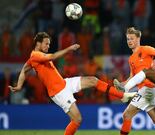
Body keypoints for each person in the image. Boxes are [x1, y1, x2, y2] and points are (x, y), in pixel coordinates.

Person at [8, 32, 136, 135]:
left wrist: (19, 85)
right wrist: (69, 48)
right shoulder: (36, 55)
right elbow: (52, 57)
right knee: (77, 119)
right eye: (46, 44)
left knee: (93, 80)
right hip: (58, 92)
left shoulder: (33, 58)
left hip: (64, 83)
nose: (48, 46)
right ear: (38, 43)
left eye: (49, 44)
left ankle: (122, 96)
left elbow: (24, 70)